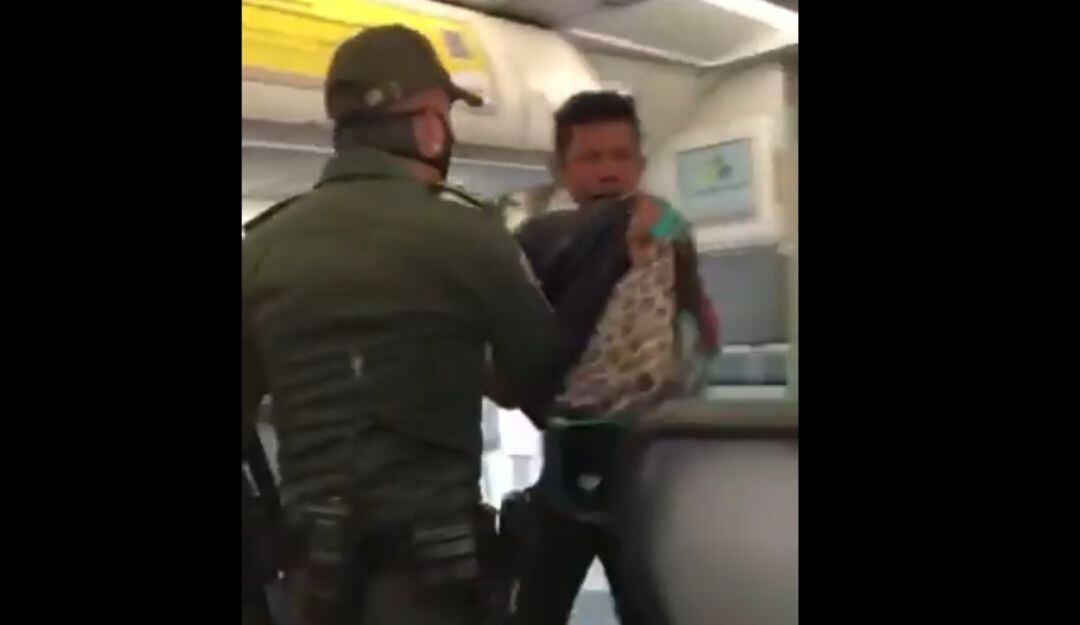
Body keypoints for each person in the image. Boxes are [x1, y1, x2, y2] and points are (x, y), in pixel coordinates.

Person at [241, 25, 559, 625]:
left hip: (312, 584)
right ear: (429, 125)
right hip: (436, 582)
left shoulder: (258, 249)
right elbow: (543, 385)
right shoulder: (471, 237)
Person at [506, 91, 720, 625]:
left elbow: (697, 315)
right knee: (537, 606)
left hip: (643, 451)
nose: (608, 170)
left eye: (621, 156)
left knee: (649, 607)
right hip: (566, 446)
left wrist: (662, 225)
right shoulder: (536, 244)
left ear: (640, 164)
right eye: (591, 157)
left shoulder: (666, 230)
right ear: (561, 169)